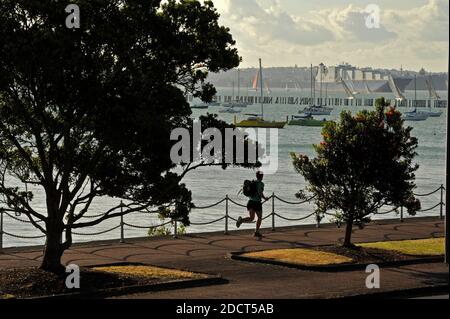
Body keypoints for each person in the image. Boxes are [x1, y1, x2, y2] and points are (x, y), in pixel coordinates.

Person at [236, 171, 269, 239]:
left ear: (256, 176)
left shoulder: (253, 183)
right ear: (262, 176)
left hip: (250, 202)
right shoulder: (261, 184)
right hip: (257, 203)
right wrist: (265, 198)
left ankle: (241, 220)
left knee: (251, 218)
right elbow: (260, 192)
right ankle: (256, 232)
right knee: (259, 217)